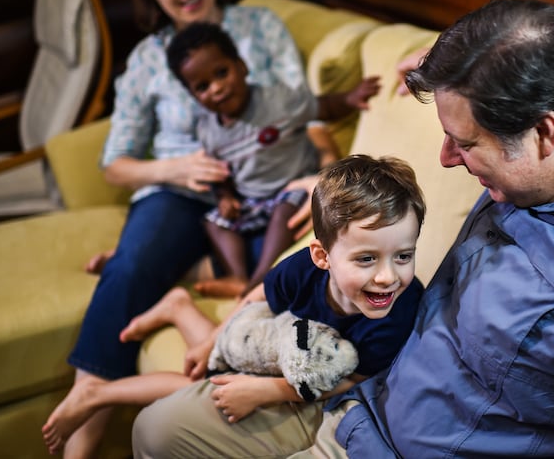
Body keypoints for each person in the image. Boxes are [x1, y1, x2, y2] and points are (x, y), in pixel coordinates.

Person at [132, 0, 554, 458]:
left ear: (544, 133)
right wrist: (457, 60)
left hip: (393, 445)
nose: (445, 159)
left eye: (465, 141)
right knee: (157, 431)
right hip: (364, 398)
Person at [50, 0, 380, 457]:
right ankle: (81, 433)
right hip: (181, 191)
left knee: (284, 271)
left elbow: (306, 113)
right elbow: (115, 164)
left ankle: (171, 266)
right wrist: (176, 169)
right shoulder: (148, 59)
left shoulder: (259, 27)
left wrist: (322, 174)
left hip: (262, 188)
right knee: (131, 270)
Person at [43, 154, 426, 455]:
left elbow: (350, 380)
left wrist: (266, 391)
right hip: (280, 340)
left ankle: (107, 386)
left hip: (310, 371)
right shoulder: (302, 269)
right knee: (209, 369)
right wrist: (212, 341)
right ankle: (103, 386)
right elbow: (257, 296)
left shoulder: (399, 308)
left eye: (403, 256)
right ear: (322, 256)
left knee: (214, 381)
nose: (387, 277)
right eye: (366, 259)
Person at [166, 21, 338, 297]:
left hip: (290, 187)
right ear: (193, 96)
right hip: (253, 202)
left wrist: (351, 99)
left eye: (222, 73)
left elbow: (322, 107)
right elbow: (221, 173)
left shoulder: (275, 101)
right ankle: (237, 275)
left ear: (242, 66)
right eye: (203, 86)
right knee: (213, 221)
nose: (217, 88)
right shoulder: (208, 130)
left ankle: (261, 277)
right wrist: (225, 198)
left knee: (286, 207)